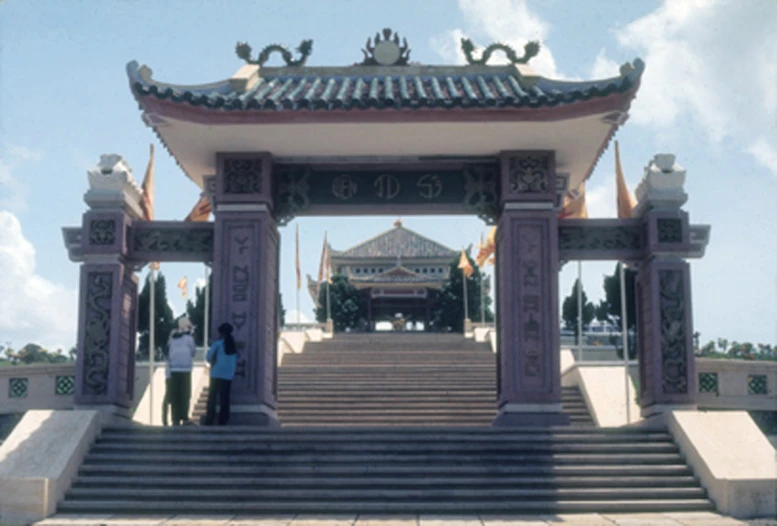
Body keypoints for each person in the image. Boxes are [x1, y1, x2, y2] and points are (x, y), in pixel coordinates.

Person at [204, 322, 238, 426]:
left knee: (212, 397)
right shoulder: (233, 346)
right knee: (225, 398)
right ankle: (223, 420)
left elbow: (208, 357)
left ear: (221, 333)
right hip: (228, 375)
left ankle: (210, 419)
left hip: (216, 373)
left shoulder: (218, 344)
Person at [167, 316, 197, 425]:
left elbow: (168, 349)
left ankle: (175, 418)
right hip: (185, 369)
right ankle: (184, 416)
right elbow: (193, 352)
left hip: (174, 368)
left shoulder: (173, 336)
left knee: (175, 395)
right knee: (185, 394)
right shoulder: (189, 338)